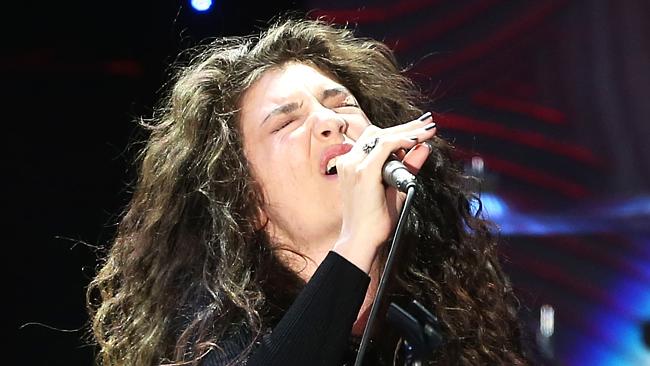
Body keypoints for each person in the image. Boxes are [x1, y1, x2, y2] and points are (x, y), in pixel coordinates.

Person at [87, 16, 529, 365]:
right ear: (243, 199)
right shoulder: (208, 336)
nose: (331, 121)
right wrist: (355, 241)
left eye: (343, 104)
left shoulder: (438, 322)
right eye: (286, 121)